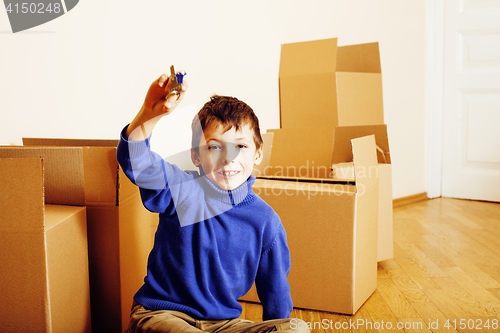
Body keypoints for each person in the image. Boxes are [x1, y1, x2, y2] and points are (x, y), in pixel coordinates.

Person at [116, 73, 309, 333]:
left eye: (240, 146)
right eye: (214, 147)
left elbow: (275, 291)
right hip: (162, 315)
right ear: (195, 156)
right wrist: (149, 115)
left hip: (222, 325)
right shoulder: (181, 190)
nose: (228, 158)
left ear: (259, 153)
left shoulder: (266, 222)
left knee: (295, 329)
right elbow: (137, 162)